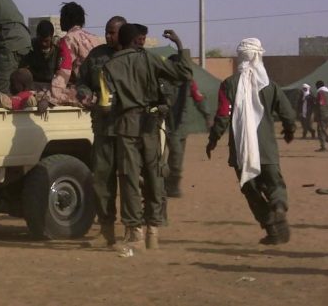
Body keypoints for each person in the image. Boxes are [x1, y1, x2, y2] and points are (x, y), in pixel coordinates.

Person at [104, 25, 193, 251]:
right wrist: (180, 45)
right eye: (142, 38)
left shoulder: (110, 66)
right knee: (154, 176)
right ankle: (153, 231)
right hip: (151, 126)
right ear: (135, 40)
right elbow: (184, 73)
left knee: (129, 178)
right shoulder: (150, 60)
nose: (144, 42)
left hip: (125, 126)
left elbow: (105, 103)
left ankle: (135, 233)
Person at [206, 38, 295, 245]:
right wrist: (289, 130)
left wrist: (213, 140)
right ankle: (279, 208)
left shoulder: (228, 84)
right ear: (258, 56)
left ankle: (272, 230)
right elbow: (287, 112)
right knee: (275, 185)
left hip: (241, 150)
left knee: (251, 190)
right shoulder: (270, 85)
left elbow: (222, 116)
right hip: (267, 149)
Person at [75, 15, 126, 247]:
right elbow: (82, 80)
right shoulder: (97, 56)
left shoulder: (133, 56)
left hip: (129, 131)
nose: (108, 36)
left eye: (113, 32)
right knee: (102, 180)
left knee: (130, 181)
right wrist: (84, 93)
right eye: (106, 31)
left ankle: (132, 230)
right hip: (104, 128)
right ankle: (106, 231)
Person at [161, 59, 213, 197]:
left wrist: (207, 116)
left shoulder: (188, 83)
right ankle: (165, 183)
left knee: (176, 157)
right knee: (166, 158)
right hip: (163, 123)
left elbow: (199, 98)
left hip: (180, 126)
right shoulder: (162, 81)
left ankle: (171, 185)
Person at [40, 2, 100, 109]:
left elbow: (64, 71)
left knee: (40, 92)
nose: (60, 21)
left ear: (67, 19)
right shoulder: (95, 38)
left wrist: (50, 97)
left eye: (62, 17)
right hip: (101, 90)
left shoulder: (68, 39)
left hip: (86, 92)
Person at [20, 20, 60, 87]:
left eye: (46, 41)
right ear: (37, 35)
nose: (43, 44)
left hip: (53, 85)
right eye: (40, 40)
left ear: (52, 37)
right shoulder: (30, 47)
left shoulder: (58, 47)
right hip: (34, 84)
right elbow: (23, 68)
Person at [314, 80, 328, 152]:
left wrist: (318, 115)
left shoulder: (321, 93)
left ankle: (323, 147)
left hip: (323, 114)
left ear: (318, 86)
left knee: (321, 130)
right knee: (324, 129)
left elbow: (321, 104)